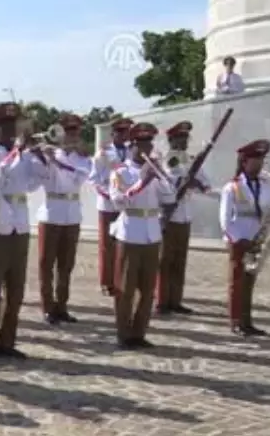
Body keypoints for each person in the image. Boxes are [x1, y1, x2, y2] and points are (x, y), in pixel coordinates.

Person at [0, 102, 46, 360]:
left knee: (16, 288)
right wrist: (14, 153)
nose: (10, 130)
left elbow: (38, 181)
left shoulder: (24, 152)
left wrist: (38, 156)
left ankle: (7, 340)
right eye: (4, 125)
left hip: (20, 219)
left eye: (13, 125)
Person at [108, 123, 173, 349]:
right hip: (130, 231)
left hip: (151, 233)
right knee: (125, 288)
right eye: (141, 144)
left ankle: (139, 332)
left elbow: (170, 195)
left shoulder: (154, 170)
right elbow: (118, 201)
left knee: (147, 290)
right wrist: (141, 182)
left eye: (149, 143)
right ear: (132, 145)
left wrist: (161, 174)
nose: (146, 148)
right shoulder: (120, 172)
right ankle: (123, 333)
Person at [219, 140, 270, 336]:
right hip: (239, 238)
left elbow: (267, 207)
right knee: (237, 280)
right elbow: (225, 220)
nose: (260, 164)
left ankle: (247, 321)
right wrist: (237, 239)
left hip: (257, 236)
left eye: (261, 160)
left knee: (249, 280)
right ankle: (236, 322)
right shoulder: (232, 187)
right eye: (255, 160)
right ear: (244, 162)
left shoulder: (265, 184)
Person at [34, 113, 91, 324]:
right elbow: (42, 176)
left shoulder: (83, 159)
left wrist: (58, 159)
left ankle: (62, 306)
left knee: (66, 265)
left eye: (75, 131)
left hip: (72, 213)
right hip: (51, 212)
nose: (72, 136)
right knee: (46, 264)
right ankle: (48, 306)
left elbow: (79, 177)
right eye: (68, 132)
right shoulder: (49, 153)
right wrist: (46, 156)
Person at [156, 121, 209, 316]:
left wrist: (196, 182)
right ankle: (162, 300)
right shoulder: (164, 160)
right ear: (171, 140)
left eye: (186, 138)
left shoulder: (192, 160)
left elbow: (206, 183)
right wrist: (184, 181)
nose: (184, 141)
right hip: (169, 215)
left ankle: (175, 300)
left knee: (180, 260)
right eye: (180, 138)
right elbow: (166, 183)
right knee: (165, 260)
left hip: (185, 214)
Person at [90, 117, 134, 295]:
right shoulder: (103, 153)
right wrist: (110, 194)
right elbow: (94, 179)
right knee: (108, 245)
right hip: (108, 204)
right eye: (121, 132)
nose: (124, 135)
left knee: (124, 244)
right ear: (113, 133)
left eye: (127, 132)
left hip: (127, 204)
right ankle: (107, 282)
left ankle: (121, 279)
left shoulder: (133, 151)